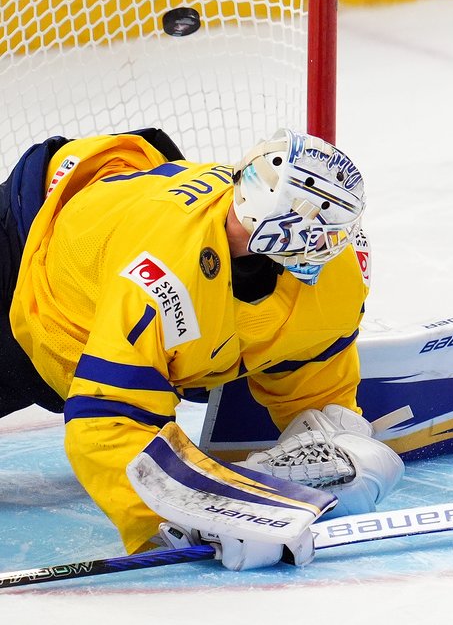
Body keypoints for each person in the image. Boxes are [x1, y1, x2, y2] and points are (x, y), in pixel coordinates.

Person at [0, 127, 403, 569]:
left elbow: (311, 381)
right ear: (283, 226)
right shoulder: (163, 271)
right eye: (324, 232)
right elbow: (106, 420)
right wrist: (174, 519)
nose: (335, 246)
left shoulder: (334, 276)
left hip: (123, 196)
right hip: (30, 250)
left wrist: (334, 433)